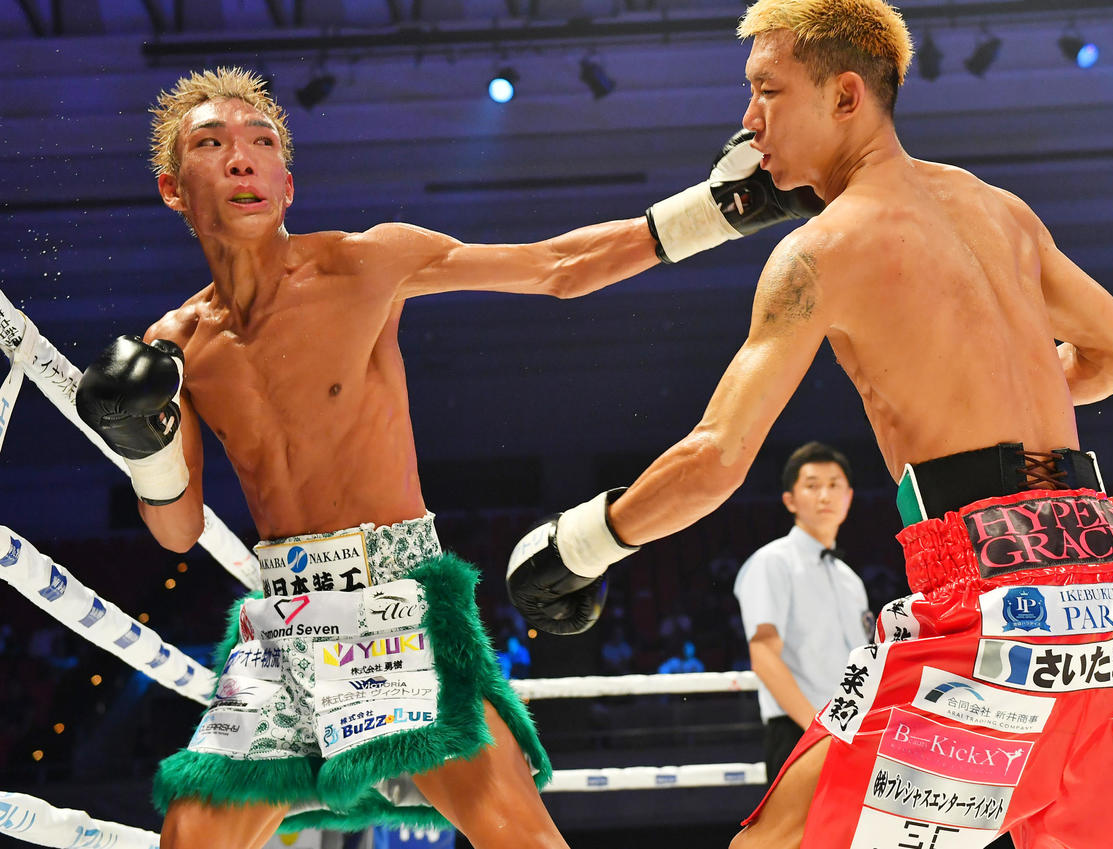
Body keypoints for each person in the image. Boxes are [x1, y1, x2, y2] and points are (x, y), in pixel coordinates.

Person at [506, 0, 1113, 849]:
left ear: (846, 96)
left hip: (987, 596)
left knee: (781, 841)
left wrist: (585, 544)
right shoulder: (1003, 211)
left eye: (768, 92)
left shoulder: (821, 250)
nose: (749, 121)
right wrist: (1000, 392)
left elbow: (718, 456)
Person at [73, 67, 819, 849]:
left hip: (389, 603)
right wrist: (145, 451)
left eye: (260, 144)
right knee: (189, 837)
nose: (240, 160)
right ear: (172, 187)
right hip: (280, 622)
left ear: (287, 185)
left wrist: (717, 212)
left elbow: (556, 268)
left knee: (520, 841)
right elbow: (179, 530)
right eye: (211, 144)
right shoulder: (174, 345)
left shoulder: (362, 266)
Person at [733, 442, 870, 782]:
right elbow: (763, 653)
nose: (825, 495)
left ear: (849, 497)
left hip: (853, 734)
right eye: (812, 486)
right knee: (791, 837)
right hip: (800, 730)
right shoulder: (772, 562)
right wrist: (819, 728)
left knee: (849, 837)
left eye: (834, 485)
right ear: (790, 500)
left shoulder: (850, 580)